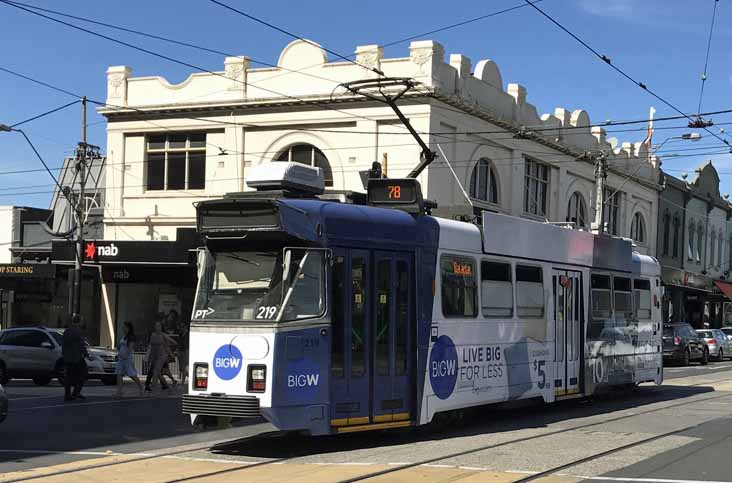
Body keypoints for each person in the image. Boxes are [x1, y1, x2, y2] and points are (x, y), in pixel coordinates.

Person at [62, 315, 88, 402]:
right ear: (79, 321)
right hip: (76, 357)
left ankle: (68, 394)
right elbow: (81, 345)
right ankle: (76, 392)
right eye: (82, 320)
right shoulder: (78, 331)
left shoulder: (67, 331)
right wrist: (86, 355)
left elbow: (64, 345)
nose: (83, 322)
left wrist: (64, 355)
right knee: (83, 374)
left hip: (68, 357)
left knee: (69, 376)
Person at [115, 322, 143, 398]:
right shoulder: (124, 337)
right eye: (123, 327)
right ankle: (119, 392)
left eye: (125, 327)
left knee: (132, 374)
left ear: (128, 328)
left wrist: (125, 355)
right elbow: (121, 347)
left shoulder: (131, 337)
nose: (123, 328)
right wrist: (118, 354)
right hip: (121, 358)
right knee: (119, 374)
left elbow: (130, 348)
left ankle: (141, 387)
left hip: (127, 359)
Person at [144, 321, 170, 393]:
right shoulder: (152, 335)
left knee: (156, 372)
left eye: (159, 326)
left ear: (161, 327)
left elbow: (168, 345)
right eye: (156, 325)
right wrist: (149, 357)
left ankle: (153, 387)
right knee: (157, 373)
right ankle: (165, 386)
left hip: (161, 356)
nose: (157, 327)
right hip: (154, 356)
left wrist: (168, 354)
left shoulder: (163, 335)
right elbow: (151, 346)